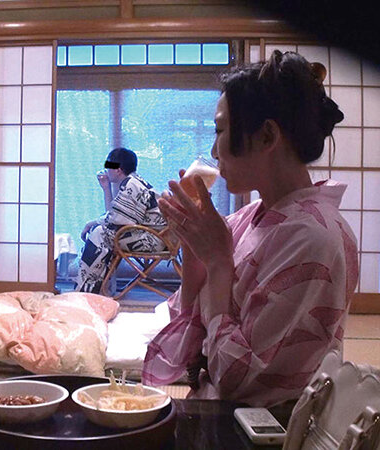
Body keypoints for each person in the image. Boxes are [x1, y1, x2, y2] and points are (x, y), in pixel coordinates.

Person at [142, 51, 358, 407]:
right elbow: (190, 347)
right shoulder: (249, 217)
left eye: (220, 130)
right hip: (209, 408)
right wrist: (195, 253)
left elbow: (238, 383)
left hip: (257, 426)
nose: (213, 150)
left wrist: (218, 262)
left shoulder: (315, 239)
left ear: (267, 136)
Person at [75, 147, 167, 295]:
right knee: (102, 232)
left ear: (118, 169)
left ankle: (87, 289)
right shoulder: (134, 182)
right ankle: (98, 287)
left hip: (153, 239)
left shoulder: (131, 184)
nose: (106, 169)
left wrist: (90, 224)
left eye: (108, 165)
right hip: (155, 236)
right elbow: (114, 216)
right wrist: (106, 188)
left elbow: (117, 220)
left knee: (99, 233)